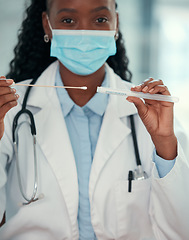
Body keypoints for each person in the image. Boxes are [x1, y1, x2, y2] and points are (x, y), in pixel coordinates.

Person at [0, 0, 189, 239]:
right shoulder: (10, 110)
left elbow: (181, 230)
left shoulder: (149, 109)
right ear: (47, 26)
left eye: (100, 20)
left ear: (115, 24)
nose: (83, 33)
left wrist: (164, 142)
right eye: (68, 21)